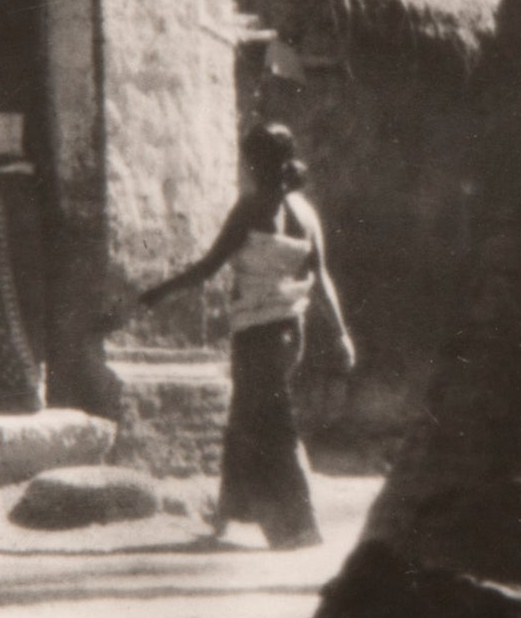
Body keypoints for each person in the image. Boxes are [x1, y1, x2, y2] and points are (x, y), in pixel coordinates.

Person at [128, 123, 353, 551]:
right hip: (290, 333)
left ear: (253, 163)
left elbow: (207, 267)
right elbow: (321, 279)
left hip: (257, 335)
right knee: (245, 417)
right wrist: (341, 335)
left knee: (272, 426)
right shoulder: (305, 213)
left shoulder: (250, 209)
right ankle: (228, 513)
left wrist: (152, 295)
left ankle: (297, 527)